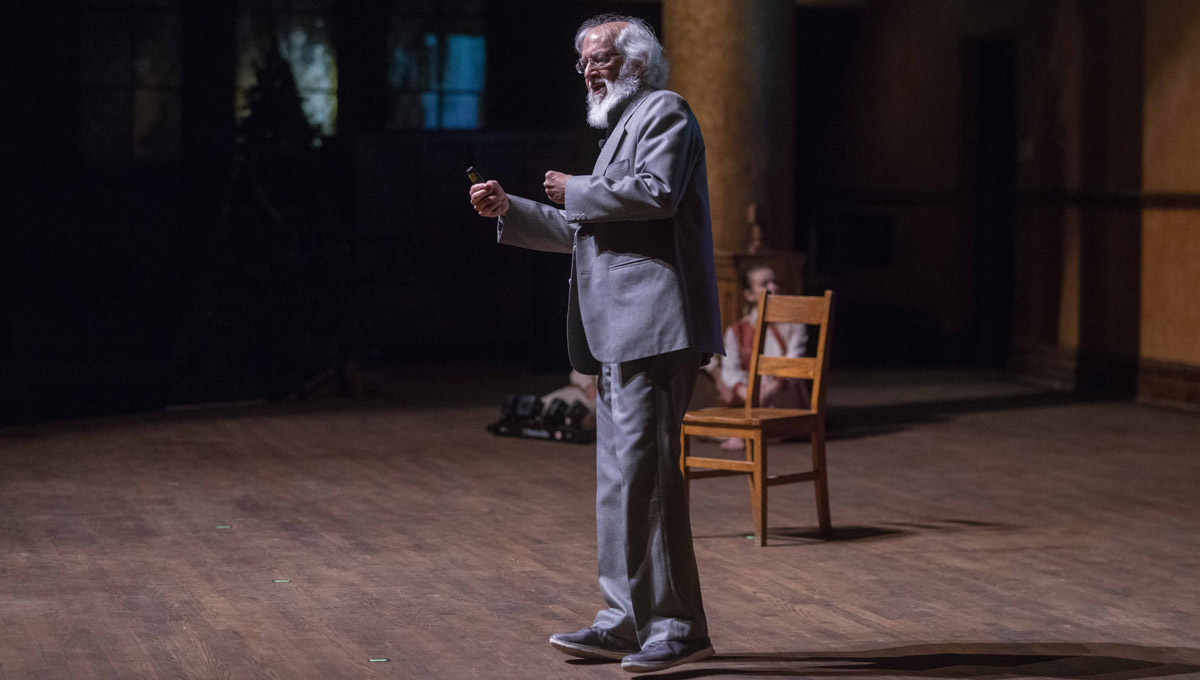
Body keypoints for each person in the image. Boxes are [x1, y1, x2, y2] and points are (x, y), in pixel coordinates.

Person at [469, 13, 722, 674]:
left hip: (654, 326)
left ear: (635, 62)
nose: (587, 71)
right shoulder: (618, 130)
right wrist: (515, 208)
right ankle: (623, 619)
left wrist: (576, 189)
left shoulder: (665, 111)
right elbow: (591, 227)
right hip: (616, 329)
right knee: (619, 483)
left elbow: (657, 196)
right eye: (582, 61)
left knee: (651, 480)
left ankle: (677, 626)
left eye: (600, 58)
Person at [709, 265, 809, 450]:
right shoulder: (737, 330)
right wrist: (746, 393)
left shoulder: (794, 324)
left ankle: (750, 431)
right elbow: (731, 370)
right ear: (749, 294)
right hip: (749, 396)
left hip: (780, 394)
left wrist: (768, 390)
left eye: (775, 282)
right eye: (765, 284)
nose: (773, 287)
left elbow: (793, 363)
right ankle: (747, 429)